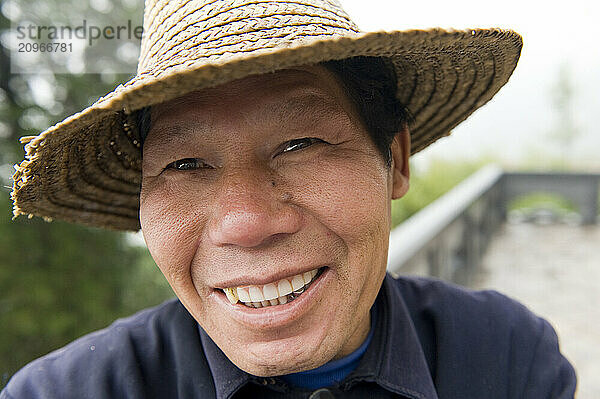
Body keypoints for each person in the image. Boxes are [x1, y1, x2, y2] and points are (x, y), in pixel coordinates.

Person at [3, 1, 576, 398]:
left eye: (300, 144)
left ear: (395, 161)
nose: (247, 224)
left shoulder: (507, 357)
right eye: (184, 164)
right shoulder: (64, 391)